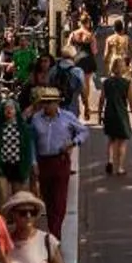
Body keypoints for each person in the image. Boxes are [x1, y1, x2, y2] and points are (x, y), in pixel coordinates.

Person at [29, 86, 89, 237]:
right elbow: (32, 142)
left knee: (59, 198)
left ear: (57, 103)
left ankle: (55, 233)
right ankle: (53, 228)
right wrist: (34, 162)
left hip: (60, 160)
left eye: (50, 102)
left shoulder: (67, 117)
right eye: (44, 102)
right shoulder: (36, 119)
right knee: (48, 198)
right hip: (44, 161)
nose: (47, 106)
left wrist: (74, 142)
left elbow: (83, 131)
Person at [99, 52, 132, 177]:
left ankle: (109, 161)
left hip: (109, 112)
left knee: (111, 139)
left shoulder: (106, 82)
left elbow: (102, 99)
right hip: (121, 113)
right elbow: (131, 100)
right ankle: (120, 167)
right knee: (122, 141)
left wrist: (100, 114)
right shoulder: (127, 82)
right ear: (123, 68)